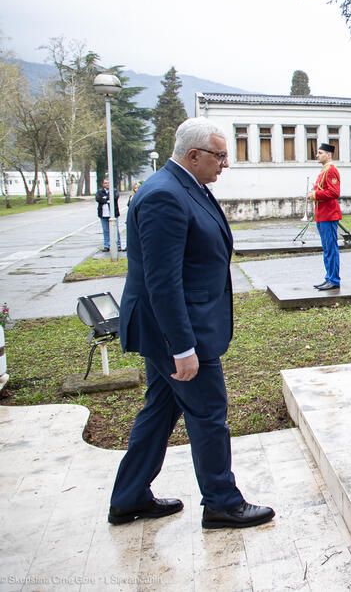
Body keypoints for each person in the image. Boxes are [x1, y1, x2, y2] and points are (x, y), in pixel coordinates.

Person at [108, 117, 274, 530]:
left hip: (176, 326)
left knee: (159, 412)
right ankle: (222, 502)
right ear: (194, 155)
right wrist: (182, 348)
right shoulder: (164, 195)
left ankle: (128, 497)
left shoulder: (187, 186)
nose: (225, 164)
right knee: (208, 413)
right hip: (178, 332)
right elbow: (162, 282)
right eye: (220, 155)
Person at [310, 143, 341, 291]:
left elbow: (334, 193)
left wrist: (315, 194)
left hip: (329, 215)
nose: (317, 155)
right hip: (322, 215)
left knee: (331, 249)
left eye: (320, 153)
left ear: (328, 155)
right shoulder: (324, 171)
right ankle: (329, 277)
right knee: (327, 249)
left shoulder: (331, 170)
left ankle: (334, 279)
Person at [95, 178, 121, 251]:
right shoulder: (100, 192)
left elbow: (115, 198)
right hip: (103, 214)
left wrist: (106, 198)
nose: (107, 184)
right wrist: (106, 200)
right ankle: (107, 245)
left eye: (108, 183)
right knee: (106, 230)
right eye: (105, 183)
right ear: (103, 184)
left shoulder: (114, 191)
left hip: (113, 214)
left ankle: (118, 245)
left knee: (115, 230)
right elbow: (98, 199)